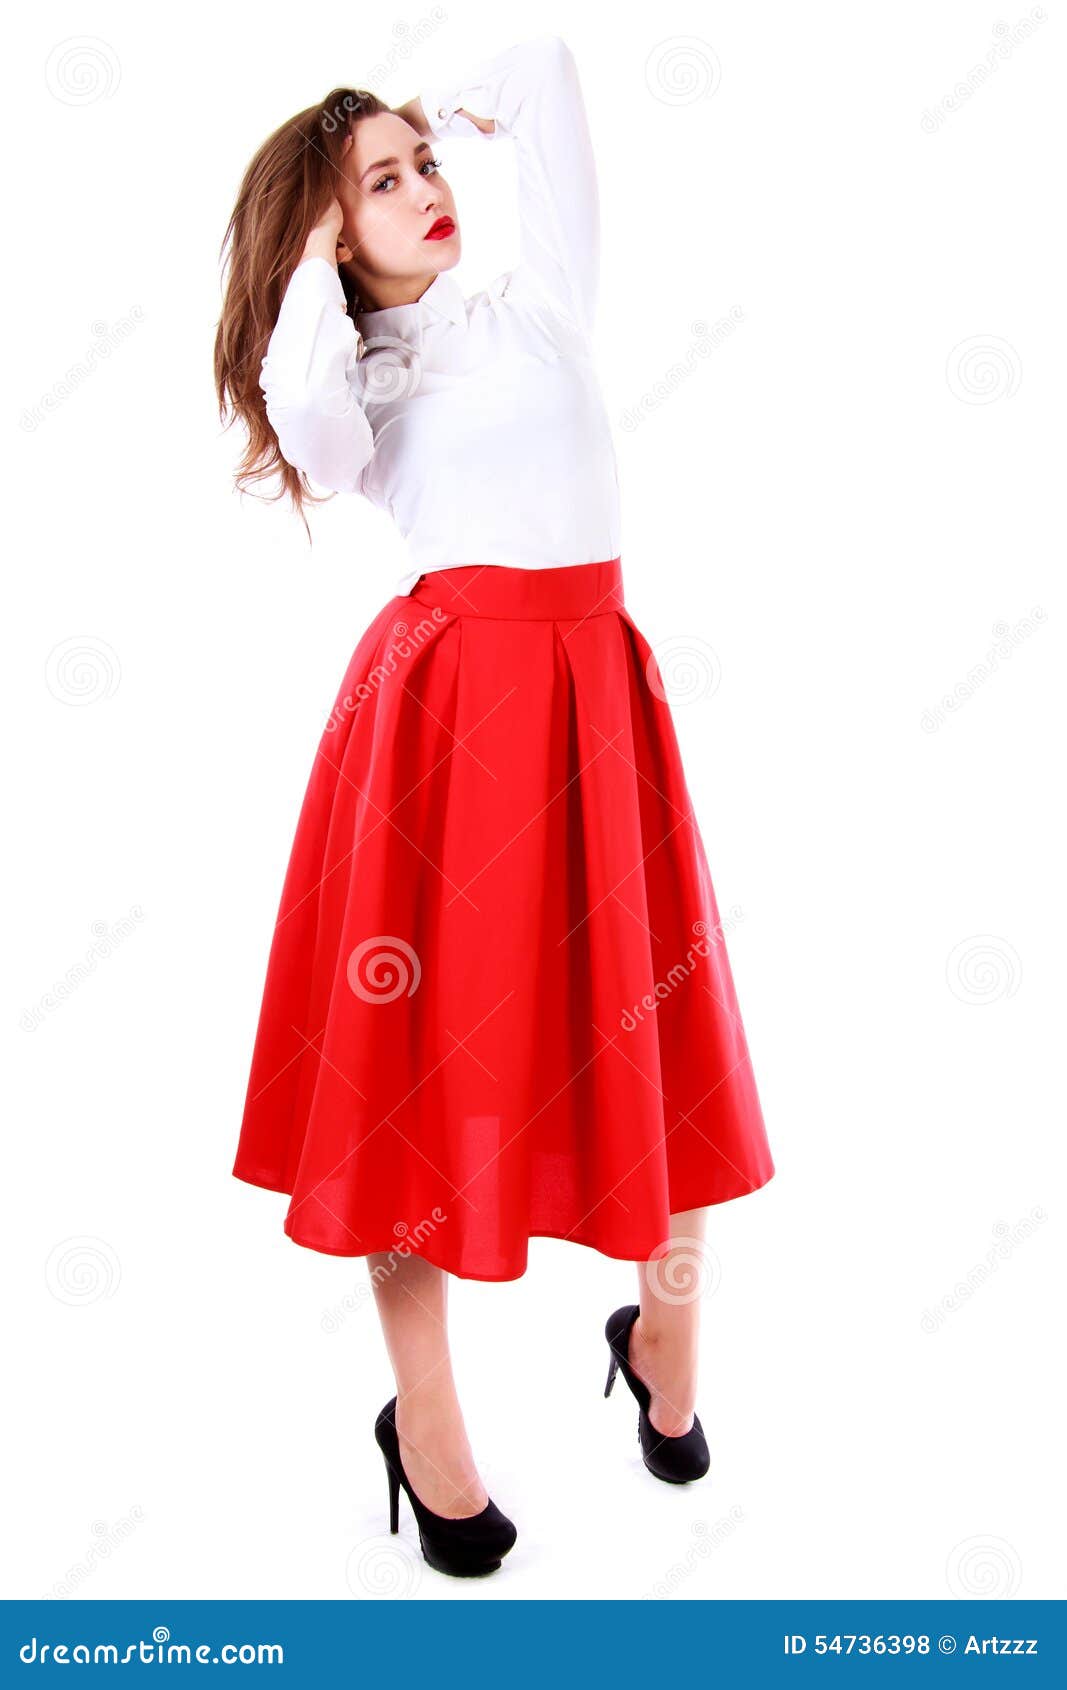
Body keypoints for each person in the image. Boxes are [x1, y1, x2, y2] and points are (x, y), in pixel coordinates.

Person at [214, 33, 775, 1579]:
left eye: (426, 166)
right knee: (413, 1078)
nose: (423, 190)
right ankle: (429, 1424)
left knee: (660, 1027)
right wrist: (321, 265)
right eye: (380, 185)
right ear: (331, 234)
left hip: (600, 704)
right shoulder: (361, 378)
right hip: (443, 726)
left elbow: (541, 66)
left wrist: (418, 103)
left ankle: (667, 1331)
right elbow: (312, 439)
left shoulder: (536, 309)